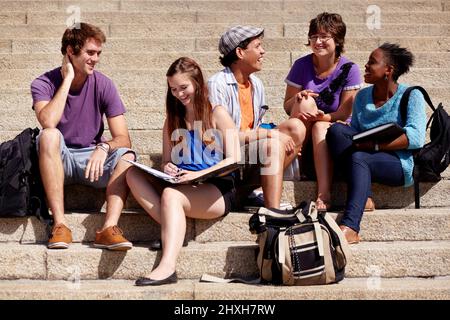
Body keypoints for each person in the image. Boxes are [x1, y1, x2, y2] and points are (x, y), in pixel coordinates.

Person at [126, 57, 241, 286]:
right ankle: (175, 229)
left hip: (216, 188)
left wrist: (196, 176)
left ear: (197, 83)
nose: (179, 94)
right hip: (182, 183)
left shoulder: (217, 113)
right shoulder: (172, 120)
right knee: (131, 173)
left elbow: (235, 158)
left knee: (170, 195)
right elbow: (167, 162)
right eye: (173, 89)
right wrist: (168, 167)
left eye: (184, 87)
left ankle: (167, 267)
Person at [31, 23, 136, 250]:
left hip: (93, 161)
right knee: (48, 135)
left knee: (127, 155)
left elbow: (123, 138)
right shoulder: (43, 83)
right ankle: (60, 225)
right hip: (59, 159)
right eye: (90, 53)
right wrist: (68, 79)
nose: (96, 59)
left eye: (98, 53)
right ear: (71, 51)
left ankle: (109, 228)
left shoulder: (104, 84)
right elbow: (48, 121)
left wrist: (103, 148)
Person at [326, 43, 426, 244]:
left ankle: (351, 227)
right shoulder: (362, 96)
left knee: (358, 156)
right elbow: (353, 133)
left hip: (400, 163)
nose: (366, 66)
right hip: (365, 154)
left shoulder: (411, 95)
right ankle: (365, 196)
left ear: (389, 70)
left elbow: (416, 138)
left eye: (372, 62)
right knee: (336, 131)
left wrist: (376, 146)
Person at [208, 25, 304, 209]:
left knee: (295, 128)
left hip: (250, 152)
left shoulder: (256, 84)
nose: (263, 51)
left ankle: (247, 192)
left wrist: (271, 135)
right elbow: (224, 138)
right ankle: (272, 211)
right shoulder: (217, 84)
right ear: (240, 52)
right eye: (258, 46)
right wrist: (270, 135)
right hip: (227, 156)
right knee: (273, 143)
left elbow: (254, 128)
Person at [283, 13, 363, 211]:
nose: (317, 42)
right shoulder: (301, 65)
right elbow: (287, 106)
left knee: (320, 126)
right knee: (306, 101)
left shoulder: (349, 69)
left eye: (324, 37)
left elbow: (345, 112)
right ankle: (295, 161)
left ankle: (324, 194)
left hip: (334, 132)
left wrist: (323, 117)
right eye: (313, 37)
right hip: (305, 132)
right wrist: (299, 97)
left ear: (337, 39)